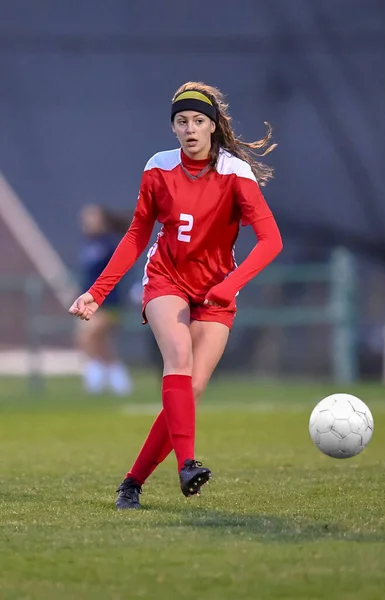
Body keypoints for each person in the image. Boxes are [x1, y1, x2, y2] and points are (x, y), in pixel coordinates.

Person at [69, 81, 283, 508]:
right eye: (181, 121)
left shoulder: (234, 174)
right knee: (179, 361)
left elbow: (271, 241)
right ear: (173, 128)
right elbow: (135, 235)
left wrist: (229, 285)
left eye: (198, 121)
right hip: (166, 278)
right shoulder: (158, 168)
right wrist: (97, 292)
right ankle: (187, 462)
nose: (190, 129)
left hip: (216, 288)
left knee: (193, 387)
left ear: (212, 127)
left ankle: (131, 482)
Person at [76, 204, 133, 396]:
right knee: (103, 344)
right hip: (91, 302)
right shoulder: (89, 245)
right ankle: (119, 381)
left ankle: (95, 375)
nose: (86, 222)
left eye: (91, 218)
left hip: (110, 302)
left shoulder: (110, 244)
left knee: (86, 335)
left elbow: (119, 270)